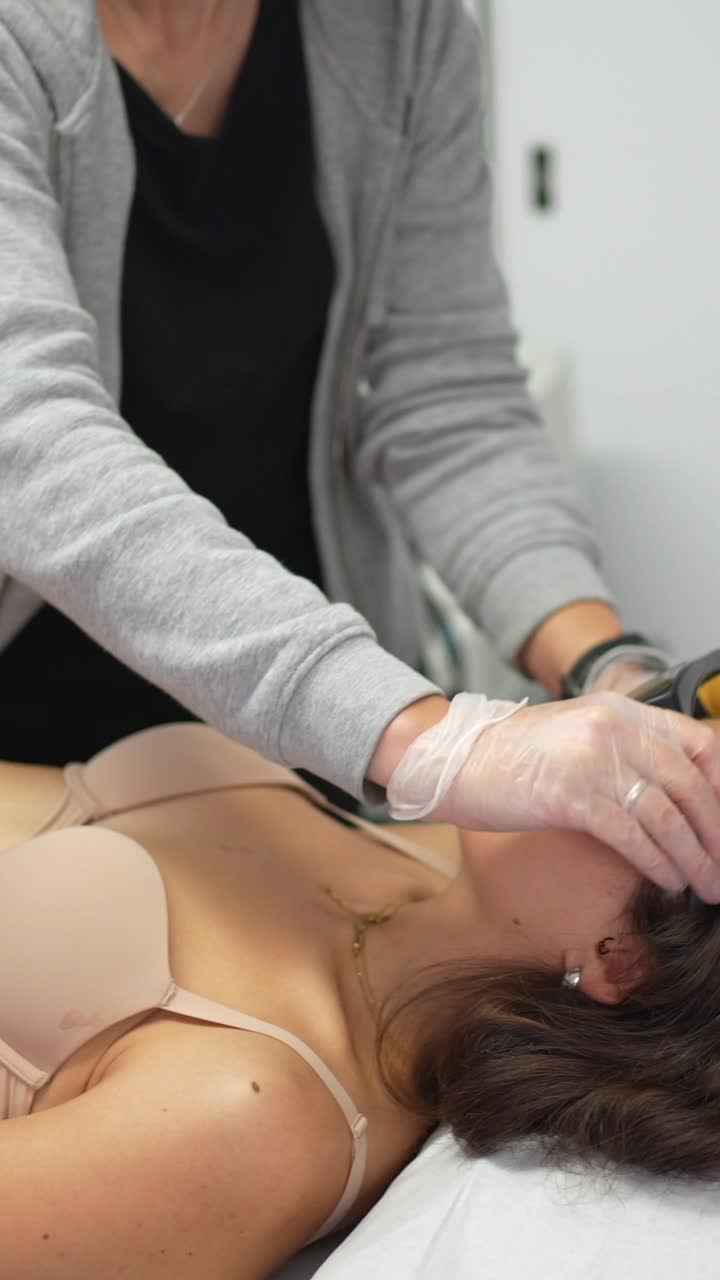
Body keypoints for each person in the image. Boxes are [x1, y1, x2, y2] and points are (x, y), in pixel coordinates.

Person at [1, 0, 720, 895]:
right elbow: (25, 438)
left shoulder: (401, 31)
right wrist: (437, 740)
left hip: (324, 743)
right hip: (35, 743)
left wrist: (611, 668)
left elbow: (450, 400)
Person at [2, 719, 720, 1278]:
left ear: (620, 964)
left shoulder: (257, 1119)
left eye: (654, 795)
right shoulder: (437, 857)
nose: (599, 741)